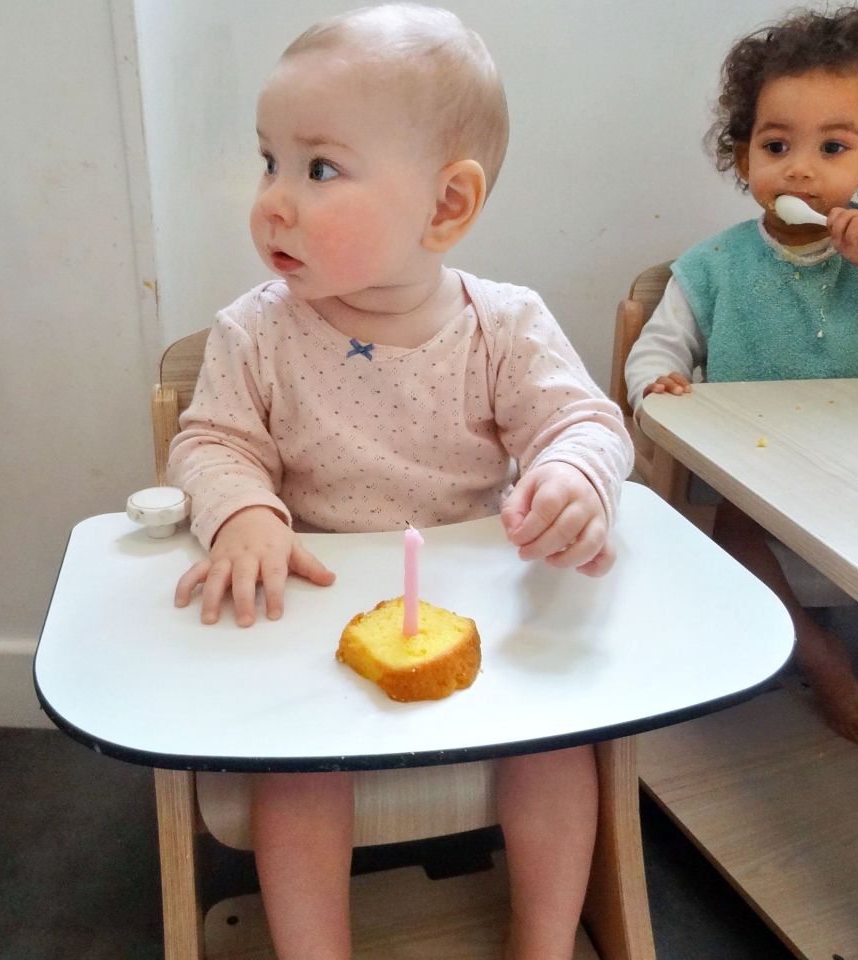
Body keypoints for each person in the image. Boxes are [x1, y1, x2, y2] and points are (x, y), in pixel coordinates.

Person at [167, 4, 632, 957]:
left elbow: (583, 420)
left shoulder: (504, 326)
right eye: (269, 161)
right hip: (317, 610)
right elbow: (211, 441)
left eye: (319, 169)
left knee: (560, 741)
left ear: (446, 206)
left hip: (476, 610)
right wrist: (243, 512)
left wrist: (571, 477)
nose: (274, 200)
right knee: (294, 769)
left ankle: (545, 942)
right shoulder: (254, 332)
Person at [624, 0, 858, 785]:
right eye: (776, 146)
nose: (800, 169)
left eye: (833, 146)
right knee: (729, 532)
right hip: (757, 481)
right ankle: (818, 654)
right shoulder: (713, 266)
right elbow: (659, 345)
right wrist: (657, 382)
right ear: (744, 159)